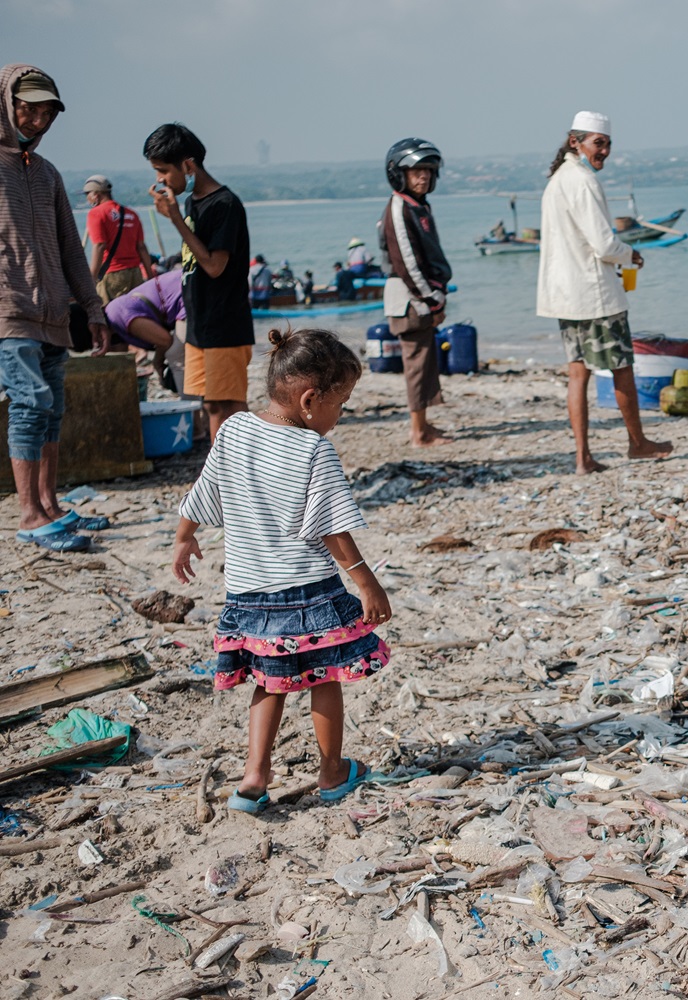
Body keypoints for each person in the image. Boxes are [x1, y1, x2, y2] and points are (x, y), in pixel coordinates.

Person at [172, 327, 391, 814]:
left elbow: (206, 486)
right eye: (341, 404)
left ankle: (254, 775)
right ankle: (333, 773)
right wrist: (367, 584)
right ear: (310, 400)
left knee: (268, 683)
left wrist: (185, 534)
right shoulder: (313, 450)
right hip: (308, 592)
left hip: (249, 595)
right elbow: (333, 529)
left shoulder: (233, 428)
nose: (340, 415)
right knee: (325, 678)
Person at [1, 64, 109, 553]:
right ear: (7, 103)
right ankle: (28, 515)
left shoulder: (46, 174)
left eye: (48, 112)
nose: (39, 119)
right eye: (30, 108)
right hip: (11, 311)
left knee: (51, 410)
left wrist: (92, 307)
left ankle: (48, 506)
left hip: (55, 315)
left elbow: (71, 249)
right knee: (29, 405)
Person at [537, 111, 673, 474]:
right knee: (622, 367)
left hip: (566, 294)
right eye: (599, 143)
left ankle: (583, 457)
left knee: (578, 374)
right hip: (594, 293)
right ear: (575, 142)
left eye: (608, 144)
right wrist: (631, 254)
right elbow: (603, 243)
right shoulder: (581, 181)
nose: (605, 151)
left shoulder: (557, 180)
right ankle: (638, 443)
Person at [145, 122, 254, 444]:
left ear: (188, 165)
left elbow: (215, 266)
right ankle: (223, 478)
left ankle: (230, 479)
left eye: (163, 170)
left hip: (225, 322)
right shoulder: (192, 202)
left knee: (227, 406)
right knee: (208, 404)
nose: (159, 180)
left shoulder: (224, 204)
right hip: (200, 322)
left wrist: (176, 220)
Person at [378, 137, 453, 447]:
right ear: (400, 174)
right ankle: (418, 432)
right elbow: (406, 261)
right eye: (415, 171)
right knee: (417, 364)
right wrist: (431, 300)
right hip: (410, 299)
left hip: (421, 297)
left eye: (428, 171)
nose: (423, 177)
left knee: (426, 360)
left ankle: (424, 424)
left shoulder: (418, 205)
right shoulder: (399, 207)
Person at [104, 268, 186, 393]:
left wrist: (157, 362)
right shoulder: (114, 323)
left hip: (184, 292)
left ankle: (192, 409)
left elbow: (165, 340)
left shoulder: (116, 315)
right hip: (180, 293)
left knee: (175, 355)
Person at [83, 175, 153, 303]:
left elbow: (99, 246)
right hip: (135, 273)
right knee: (135, 314)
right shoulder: (131, 214)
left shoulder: (96, 213)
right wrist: (150, 276)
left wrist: (91, 279)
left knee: (111, 316)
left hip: (112, 275)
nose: (87, 198)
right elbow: (141, 247)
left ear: (95, 194)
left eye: (87, 194)